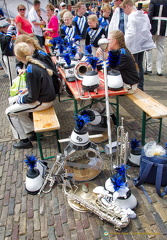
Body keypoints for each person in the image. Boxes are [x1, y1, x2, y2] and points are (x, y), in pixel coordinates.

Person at [5, 42, 56, 149]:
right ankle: (32, 131)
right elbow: (38, 84)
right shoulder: (34, 63)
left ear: (18, 57)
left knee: (9, 112)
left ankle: (24, 140)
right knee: (12, 102)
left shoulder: (30, 70)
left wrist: (21, 98)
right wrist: (27, 89)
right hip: (44, 96)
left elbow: (32, 98)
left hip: (43, 101)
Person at [120, 0, 155, 91]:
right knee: (140, 65)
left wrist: (124, 43)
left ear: (127, 6)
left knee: (134, 66)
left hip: (133, 45)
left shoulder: (133, 16)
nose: (124, 12)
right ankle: (140, 86)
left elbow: (130, 33)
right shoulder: (142, 14)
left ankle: (136, 86)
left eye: (124, 9)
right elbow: (148, 27)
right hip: (141, 44)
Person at [145, 0, 167, 76]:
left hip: (153, 25)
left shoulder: (153, 1)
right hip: (163, 26)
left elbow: (150, 13)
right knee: (161, 49)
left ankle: (149, 68)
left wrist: (148, 25)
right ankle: (159, 69)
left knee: (149, 48)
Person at [0, 17, 17, 86]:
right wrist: (9, 32)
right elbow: (6, 40)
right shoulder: (1, 35)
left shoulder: (7, 34)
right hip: (7, 56)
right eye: (5, 27)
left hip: (12, 55)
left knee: (15, 74)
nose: (7, 28)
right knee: (12, 75)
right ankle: (13, 90)